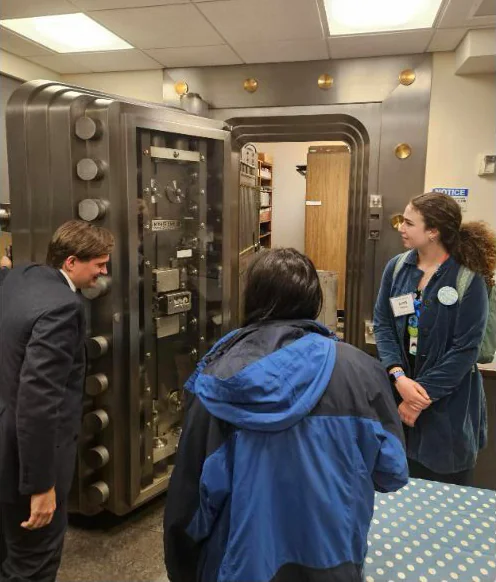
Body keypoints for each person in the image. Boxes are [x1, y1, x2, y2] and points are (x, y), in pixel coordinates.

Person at [164, 248, 408, 582]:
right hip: (335, 562)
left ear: (251, 298)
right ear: (315, 301)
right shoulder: (363, 371)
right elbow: (391, 471)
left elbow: (188, 506)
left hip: (242, 566)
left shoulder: (218, 378)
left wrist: (183, 570)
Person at [0, 220, 114, 582]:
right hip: (24, 463)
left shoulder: (20, 277)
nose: (104, 272)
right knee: (33, 563)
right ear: (70, 262)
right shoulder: (63, 308)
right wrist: (41, 486)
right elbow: (38, 401)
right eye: (98, 263)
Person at [374, 192, 496, 486]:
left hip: (447, 407)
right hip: (399, 395)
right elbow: (383, 325)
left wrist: (417, 400)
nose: (401, 227)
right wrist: (398, 376)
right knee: (397, 483)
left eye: (409, 223)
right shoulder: (397, 268)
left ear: (433, 232)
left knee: (445, 489)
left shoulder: (468, 278)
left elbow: (465, 349)